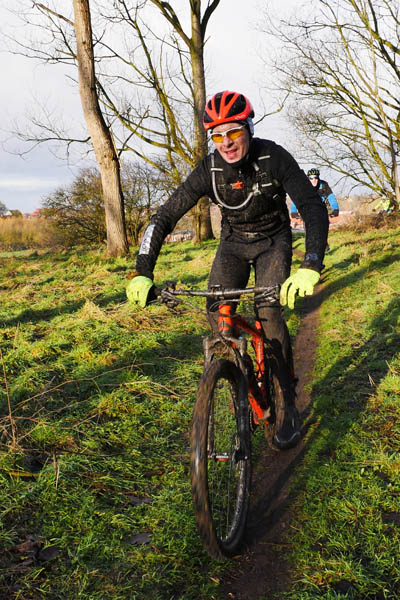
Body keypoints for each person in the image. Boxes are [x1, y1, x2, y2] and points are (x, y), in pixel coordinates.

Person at [126, 90, 329, 450]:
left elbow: (312, 207)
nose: (226, 142)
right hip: (233, 244)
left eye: (233, 132)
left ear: (248, 128)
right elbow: (164, 216)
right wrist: (143, 270)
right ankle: (240, 377)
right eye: (217, 135)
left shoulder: (273, 157)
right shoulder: (210, 169)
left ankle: (285, 398)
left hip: (273, 241)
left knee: (268, 313)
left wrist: (310, 263)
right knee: (215, 310)